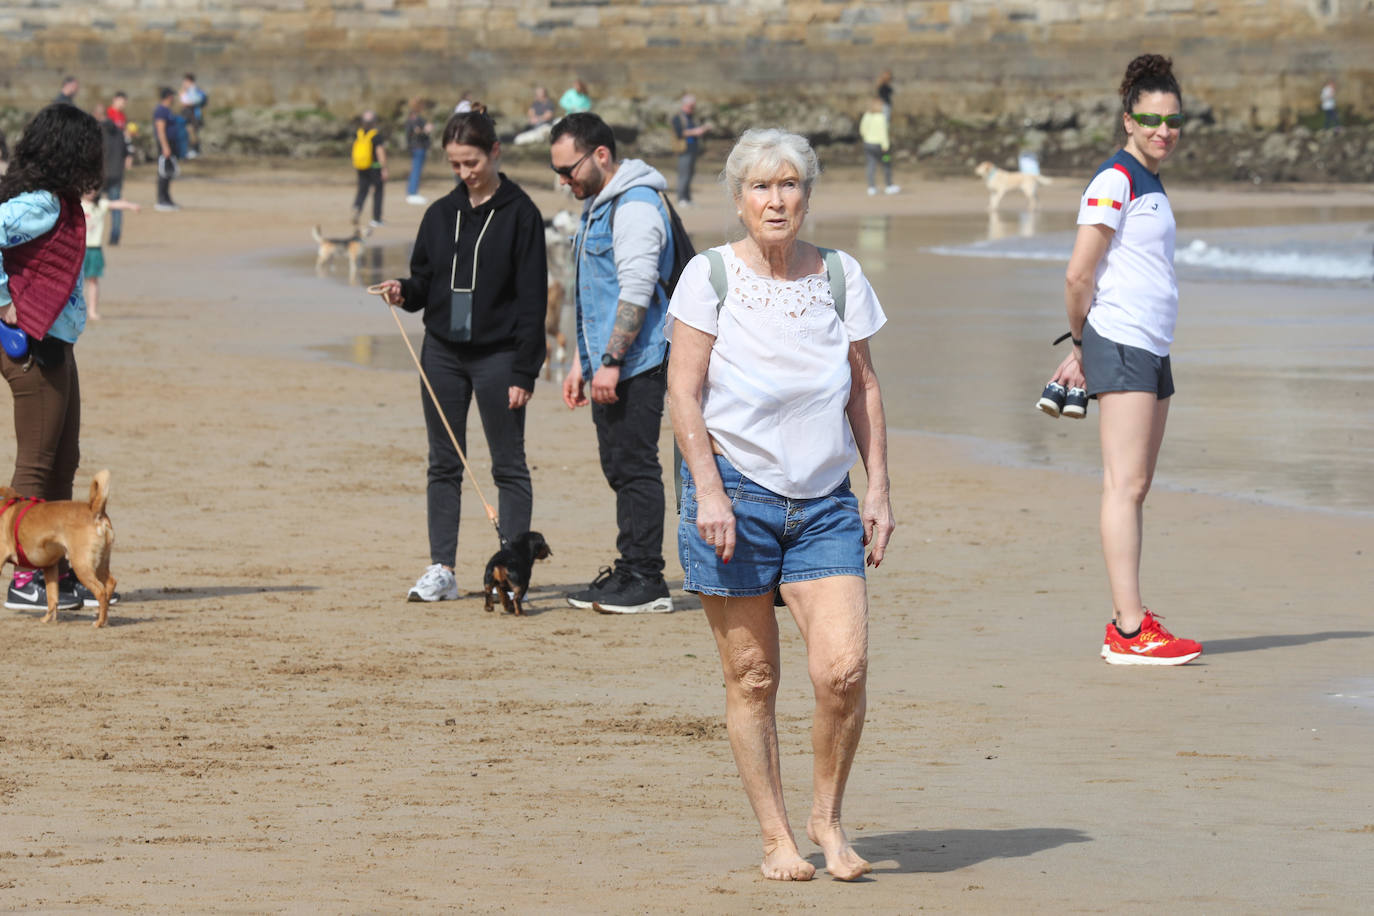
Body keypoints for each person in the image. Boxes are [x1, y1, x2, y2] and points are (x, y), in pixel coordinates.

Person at [664, 127, 894, 881]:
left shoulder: (839, 274)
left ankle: (827, 819)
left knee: (844, 671)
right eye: (761, 186)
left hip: (826, 503)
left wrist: (880, 489)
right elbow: (683, 392)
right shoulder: (709, 277)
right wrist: (706, 490)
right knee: (754, 678)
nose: (776, 199)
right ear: (738, 199)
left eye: (789, 183)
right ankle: (776, 839)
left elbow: (864, 387)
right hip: (736, 500)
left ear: (806, 195)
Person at [1046, 54, 1202, 666]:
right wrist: (1082, 346)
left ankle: (1130, 620)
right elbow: (1078, 274)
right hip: (1122, 341)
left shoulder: (1151, 180)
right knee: (1124, 484)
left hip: (1151, 345)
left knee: (1137, 485)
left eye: (1173, 120)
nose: (1164, 129)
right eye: (1151, 119)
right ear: (1128, 119)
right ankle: (1130, 629)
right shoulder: (1116, 179)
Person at [373, 105, 548, 602]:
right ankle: (441, 569)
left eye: (471, 162)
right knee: (443, 462)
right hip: (442, 354)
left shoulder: (522, 214)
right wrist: (403, 290)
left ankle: (514, 568)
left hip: (500, 358)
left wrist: (524, 371)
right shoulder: (439, 214)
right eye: (454, 164)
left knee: (508, 465)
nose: (464, 173)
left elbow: (534, 300)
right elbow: (426, 281)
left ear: (494, 152)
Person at [550, 112, 675, 614]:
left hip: (638, 360)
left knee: (636, 466)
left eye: (569, 169)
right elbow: (595, 296)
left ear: (600, 155)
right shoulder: (599, 205)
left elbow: (637, 291)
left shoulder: (637, 205)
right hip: (610, 360)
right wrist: (584, 362)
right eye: (557, 171)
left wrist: (610, 361)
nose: (564, 181)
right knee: (619, 465)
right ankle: (631, 567)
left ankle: (647, 578)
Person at [0, 103, 112, 612]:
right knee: (38, 463)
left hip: (56, 342)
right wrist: (2, 297)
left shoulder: (58, 200)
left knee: (64, 459)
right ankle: (23, 578)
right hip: (29, 343)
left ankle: (56, 570)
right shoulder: (41, 203)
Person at [80, 185, 140, 321]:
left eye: (93, 189)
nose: (90, 192)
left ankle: (92, 310)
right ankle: (77, 311)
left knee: (93, 281)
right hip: (79, 249)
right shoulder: (77, 205)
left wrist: (131, 206)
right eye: (87, 188)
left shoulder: (100, 205)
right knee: (76, 283)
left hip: (94, 248)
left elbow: (116, 204)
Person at [98, 100, 133, 245]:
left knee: (92, 207)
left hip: (100, 175)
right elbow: (127, 152)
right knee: (116, 207)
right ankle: (115, 237)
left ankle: (90, 235)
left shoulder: (98, 132)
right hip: (116, 174)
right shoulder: (120, 133)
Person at [670, 94, 711, 207]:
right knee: (683, 175)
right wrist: (696, 131)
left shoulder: (693, 117)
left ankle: (687, 198)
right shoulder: (677, 117)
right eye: (691, 106)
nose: (692, 108)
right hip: (683, 150)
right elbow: (679, 133)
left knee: (690, 174)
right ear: (685, 104)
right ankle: (681, 198)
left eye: (693, 106)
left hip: (693, 149)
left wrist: (703, 130)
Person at [350, 110, 387, 228]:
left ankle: (357, 207)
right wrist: (384, 168)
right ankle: (376, 219)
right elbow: (380, 151)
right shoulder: (376, 135)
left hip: (361, 166)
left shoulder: (359, 133)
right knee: (378, 191)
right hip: (375, 166)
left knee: (362, 189)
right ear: (374, 122)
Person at [858, 97, 898, 196]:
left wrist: (866, 138)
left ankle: (871, 188)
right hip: (881, 147)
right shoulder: (881, 117)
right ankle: (889, 186)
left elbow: (862, 129)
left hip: (868, 145)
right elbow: (883, 133)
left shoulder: (867, 116)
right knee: (886, 164)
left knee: (871, 165)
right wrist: (886, 146)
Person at [152, 87, 179, 211]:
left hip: (171, 144)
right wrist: (165, 146)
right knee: (163, 173)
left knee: (169, 173)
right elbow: (160, 129)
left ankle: (167, 198)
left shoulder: (168, 110)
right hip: (165, 145)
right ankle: (161, 200)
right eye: (172, 95)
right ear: (168, 96)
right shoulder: (161, 110)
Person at [403, 98, 433, 205]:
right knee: (416, 170)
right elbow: (416, 132)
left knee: (415, 169)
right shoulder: (415, 119)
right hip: (418, 146)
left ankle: (412, 192)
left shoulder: (412, 118)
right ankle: (412, 193)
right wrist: (426, 130)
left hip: (416, 146)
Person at [179, 73, 207, 158]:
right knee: (189, 131)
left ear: (189, 81)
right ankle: (191, 150)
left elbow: (193, 101)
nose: (184, 83)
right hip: (188, 114)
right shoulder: (188, 90)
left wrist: (186, 100)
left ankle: (195, 150)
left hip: (193, 115)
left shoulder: (194, 90)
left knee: (192, 131)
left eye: (185, 81)